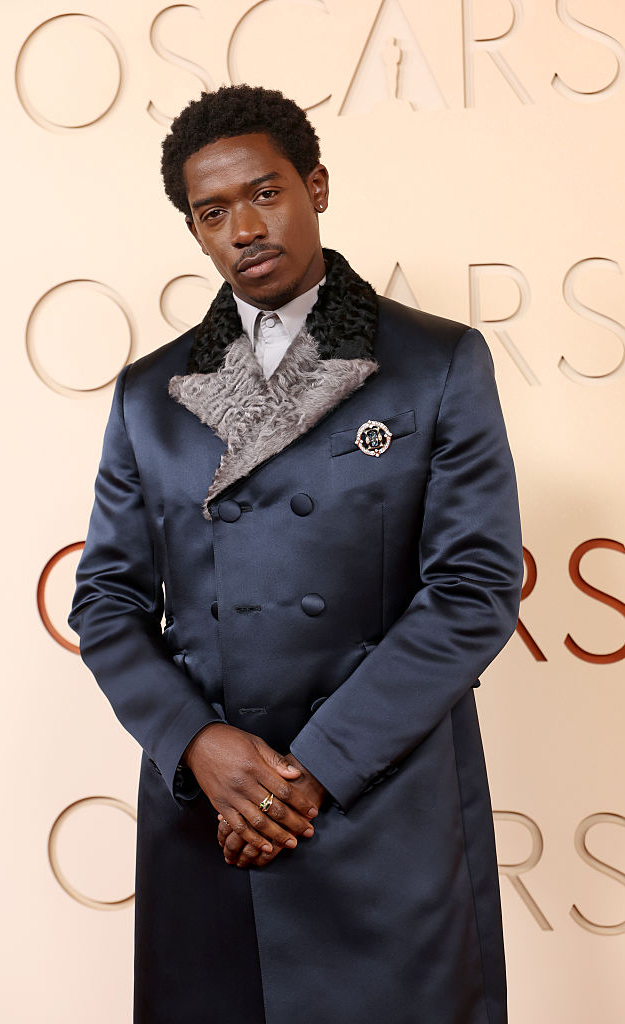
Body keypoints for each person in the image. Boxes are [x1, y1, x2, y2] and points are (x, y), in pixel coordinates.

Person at [68, 83, 523, 1024]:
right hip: (210, 811)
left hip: (376, 802)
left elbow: (473, 590)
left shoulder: (434, 362)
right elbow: (107, 599)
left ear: (315, 185)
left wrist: (310, 768)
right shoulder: (148, 394)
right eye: (212, 211)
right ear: (194, 231)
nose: (243, 226)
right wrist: (198, 747)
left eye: (265, 192)